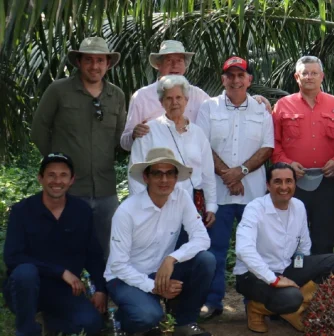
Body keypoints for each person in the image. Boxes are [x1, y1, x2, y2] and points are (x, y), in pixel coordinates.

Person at [105, 148, 215, 336]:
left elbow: (202, 238)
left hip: (161, 269)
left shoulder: (181, 197)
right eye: (157, 173)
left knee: (206, 260)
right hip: (124, 276)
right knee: (149, 316)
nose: (164, 180)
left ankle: (185, 321)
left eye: (169, 173)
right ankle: (122, 322)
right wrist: (155, 288)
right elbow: (118, 265)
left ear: (176, 177)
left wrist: (172, 258)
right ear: (146, 177)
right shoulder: (127, 211)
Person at [193, 56, 274, 320]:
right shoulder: (208, 107)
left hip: (253, 194)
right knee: (214, 249)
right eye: (231, 75)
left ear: (249, 80)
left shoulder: (261, 109)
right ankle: (212, 301)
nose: (236, 80)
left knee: (255, 248)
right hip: (217, 193)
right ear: (223, 79)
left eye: (242, 75)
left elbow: (267, 148)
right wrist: (229, 176)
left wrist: (241, 172)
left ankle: (255, 302)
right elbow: (203, 146)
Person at [31, 36, 126, 260]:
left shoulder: (117, 96)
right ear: (79, 62)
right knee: (63, 249)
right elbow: (39, 130)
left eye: (100, 60)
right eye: (89, 60)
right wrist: (58, 166)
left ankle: (104, 292)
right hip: (67, 189)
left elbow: (119, 138)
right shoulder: (59, 90)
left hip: (105, 188)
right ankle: (65, 294)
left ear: (108, 64)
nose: (94, 66)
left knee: (108, 250)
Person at [3, 153, 106, 336]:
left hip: (63, 291)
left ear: (71, 180)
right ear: (40, 178)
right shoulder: (22, 211)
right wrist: (60, 272)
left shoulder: (81, 211)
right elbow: (12, 257)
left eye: (63, 175)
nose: (57, 181)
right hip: (27, 287)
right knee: (25, 272)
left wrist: (100, 289)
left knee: (91, 324)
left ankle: (47, 321)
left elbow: (93, 253)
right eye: (51, 175)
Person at [234, 163, 334, 333]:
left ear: (295, 184)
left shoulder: (298, 206)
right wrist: (274, 280)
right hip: (253, 276)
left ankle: (294, 308)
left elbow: (304, 245)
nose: (284, 187)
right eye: (278, 182)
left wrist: (301, 270)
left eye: (289, 181)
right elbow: (243, 250)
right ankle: (256, 308)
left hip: (285, 267)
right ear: (268, 185)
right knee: (292, 298)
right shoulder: (255, 208)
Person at [272, 56, 334, 255]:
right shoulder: (282, 106)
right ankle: (291, 282)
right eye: (305, 73)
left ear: (322, 76)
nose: (309, 77)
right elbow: (273, 143)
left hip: (327, 180)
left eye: (314, 73)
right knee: (290, 235)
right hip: (292, 182)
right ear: (297, 77)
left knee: (325, 235)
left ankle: (321, 282)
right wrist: (287, 165)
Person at [128, 75, 218, 230]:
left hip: (193, 210)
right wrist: (144, 209)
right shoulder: (148, 132)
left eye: (179, 97)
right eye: (169, 98)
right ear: (161, 102)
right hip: (158, 209)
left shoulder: (198, 134)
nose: (174, 102)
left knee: (195, 252)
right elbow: (134, 175)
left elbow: (208, 174)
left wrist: (210, 206)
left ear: (186, 100)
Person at [121, 40, 210, 151]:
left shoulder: (199, 96)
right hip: (153, 163)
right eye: (169, 61)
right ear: (159, 65)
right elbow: (125, 143)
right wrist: (134, 135)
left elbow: (213, 133)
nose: (174, 65)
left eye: (179, 61)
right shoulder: (141, 96)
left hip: (191, 163)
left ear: (185, 66)